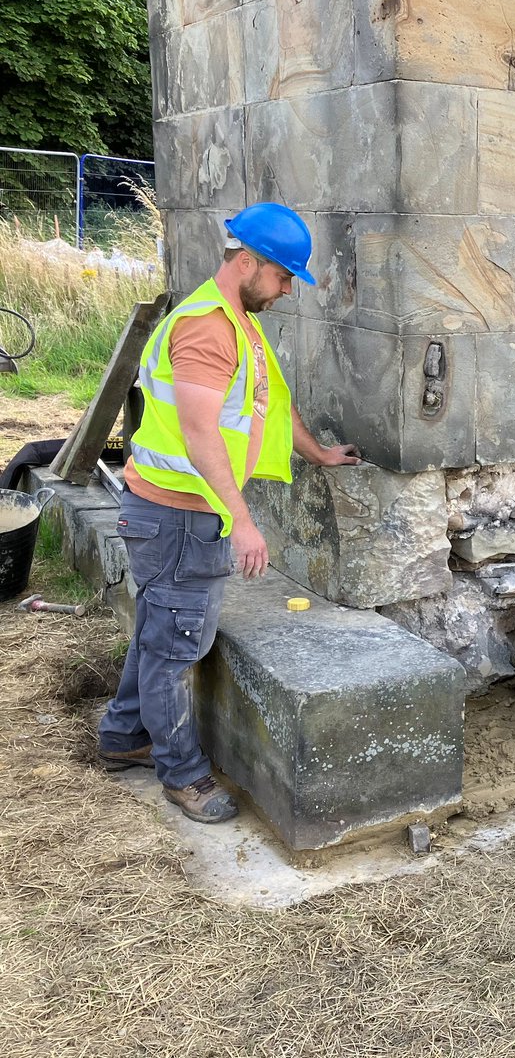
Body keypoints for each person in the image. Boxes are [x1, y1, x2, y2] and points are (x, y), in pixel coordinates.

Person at [97, 203, 361, 825]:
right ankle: (182, 775)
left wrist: (318, 453)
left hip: (182, 513)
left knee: (161, 628)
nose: (289, 287)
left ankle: (123, 735)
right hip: (178, 517)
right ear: (248, 262)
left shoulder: (239, 322)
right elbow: (199, 434)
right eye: (284, 275)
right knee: (176, 646)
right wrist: (241, 520)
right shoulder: (207, 329)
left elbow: (271, 400)